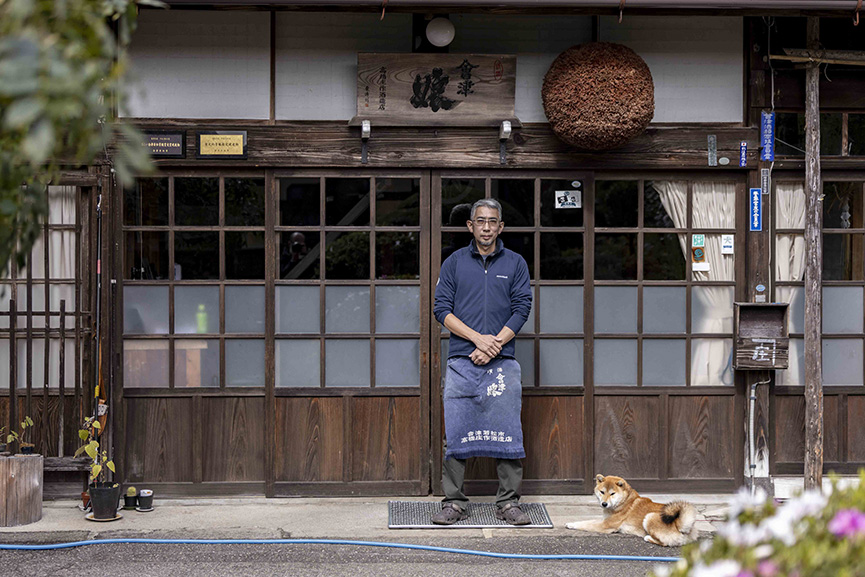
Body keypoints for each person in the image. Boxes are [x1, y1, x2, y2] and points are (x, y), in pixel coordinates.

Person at [432, 198, 533, 525]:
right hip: (462, 360)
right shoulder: (454, 263)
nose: (487, 227)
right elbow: (441, 310)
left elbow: (522, 308)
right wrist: (478, 340)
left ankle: (508, 502)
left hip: (502, 361)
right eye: (481, 221)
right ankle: (454, 502)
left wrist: (494, 345)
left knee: (508, 429)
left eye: (493, 221)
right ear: (470, 226)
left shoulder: (515, 263)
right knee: (457, 429)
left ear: (500, 226)